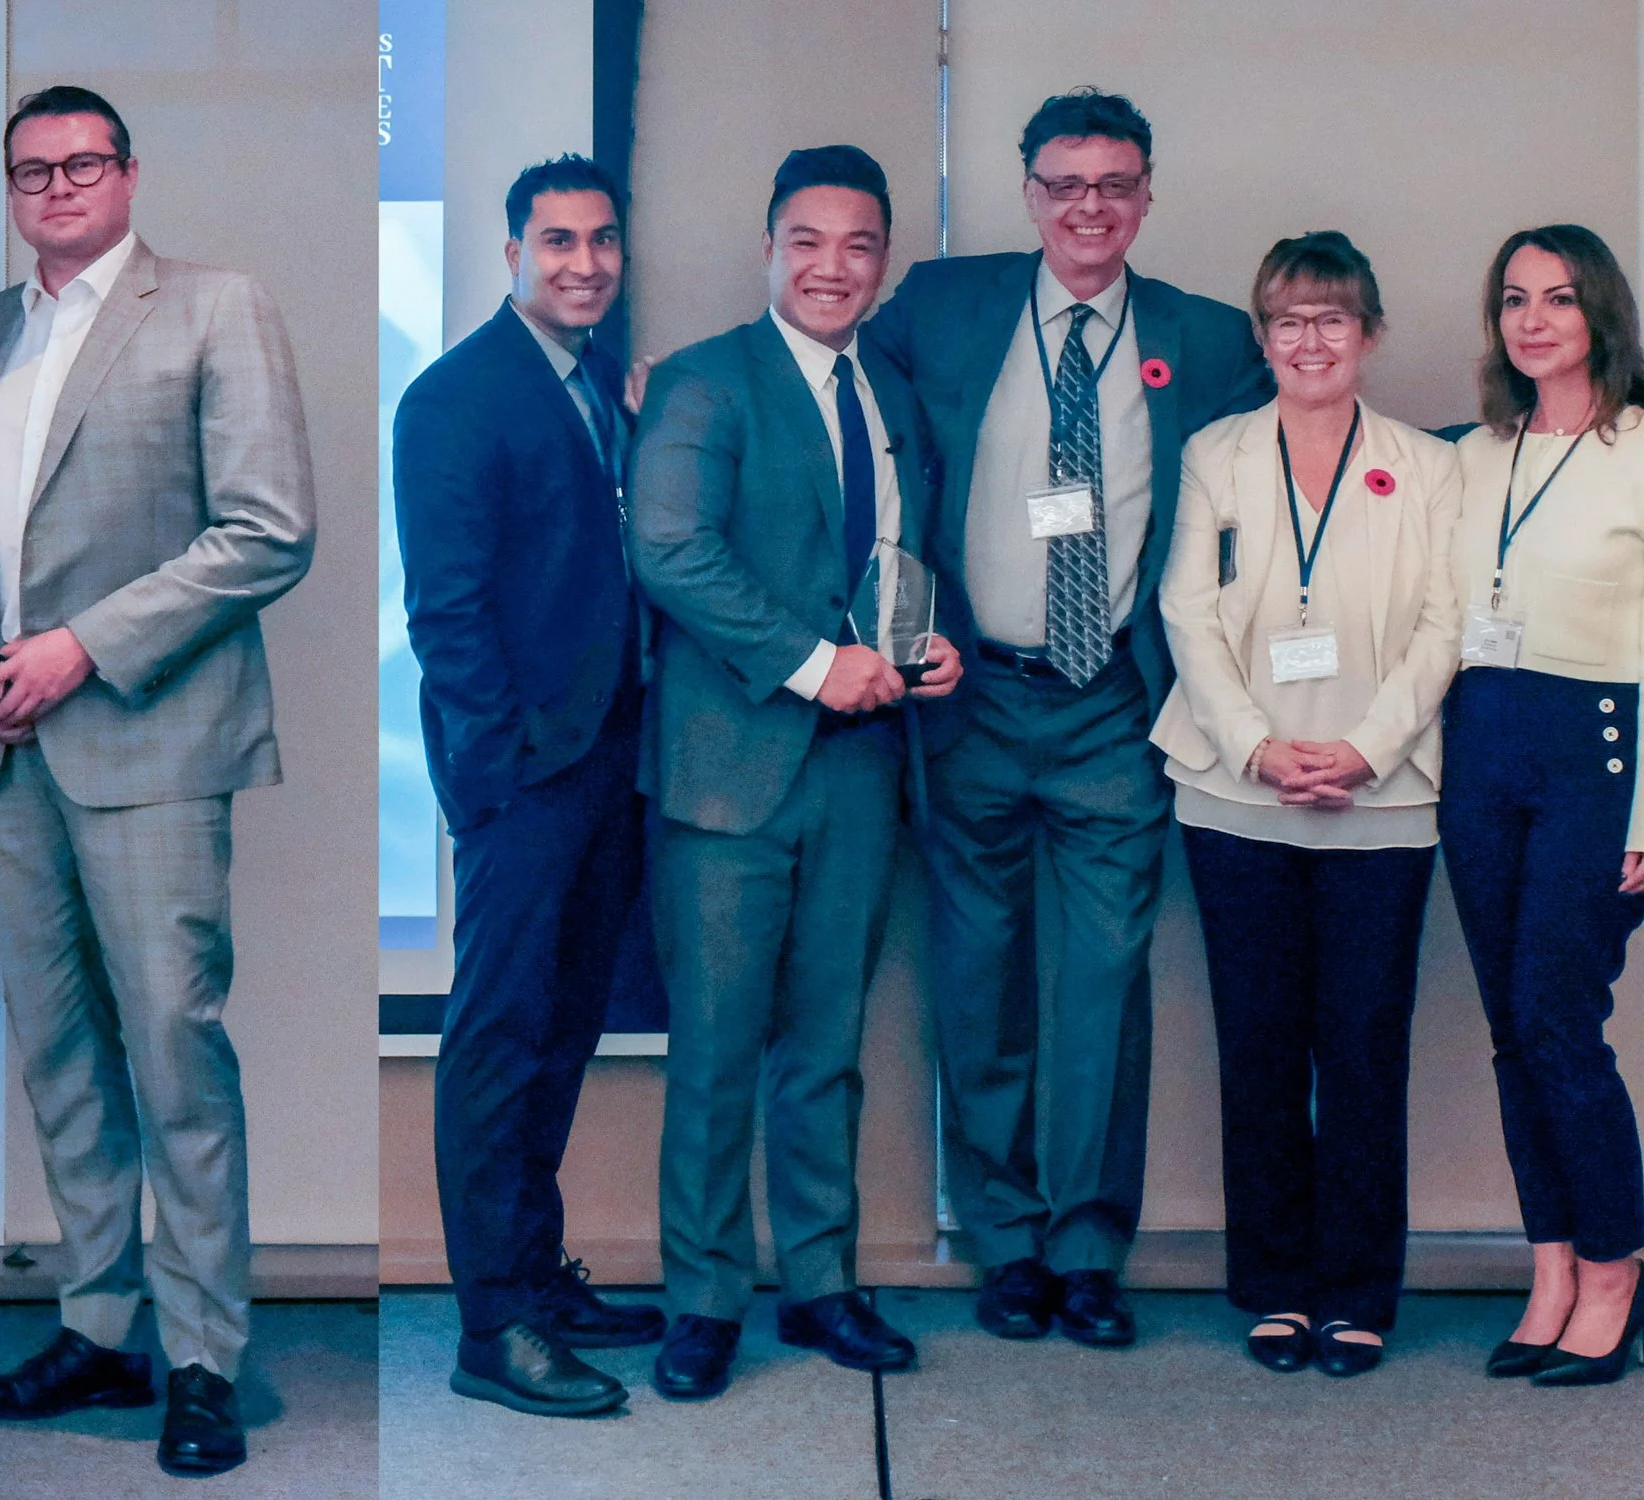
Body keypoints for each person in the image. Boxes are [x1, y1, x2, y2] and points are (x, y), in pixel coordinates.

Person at [0, 85, 314, 1477]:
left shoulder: (213, 306)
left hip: (149, 741)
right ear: (12, 191)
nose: (59, 187)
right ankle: (101, 1322)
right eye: (34, 170)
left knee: (175, 1055)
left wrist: (80, 648)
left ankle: (202, 1358)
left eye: (84, 164)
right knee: (66, 1061)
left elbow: (269, 530)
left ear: (130, 174)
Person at [864, 88, 1272, 1347]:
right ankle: (1006, 1247)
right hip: (970, 696)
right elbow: (818, 394)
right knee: (978, 981)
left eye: (1114, 184)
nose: (1088, 206)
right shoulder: (942, 305)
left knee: (1102, 984)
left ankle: (1089, 1248)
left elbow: (1307, 445)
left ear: (1147, 194)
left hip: (1113, 708)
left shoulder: (1203, 339)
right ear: (1026, 191)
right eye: (1063, 184)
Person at [631, 145, 962, 1403]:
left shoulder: (893, 391)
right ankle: (705, 1299)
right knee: (717, 1050)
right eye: (808, 242)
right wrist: (818, 664)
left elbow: (897, 558)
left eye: (859, 245)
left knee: (826, 1047)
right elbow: (668, 549)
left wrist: (924, 647)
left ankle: (820, 1284)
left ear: (881, 260)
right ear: (769, 247)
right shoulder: (708, 383)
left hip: (864, 771)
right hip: (729, 776)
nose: (834, 267)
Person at [1153, 233, 1462, 1377]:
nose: (1308, 340)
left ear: (1369, 335)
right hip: (1236, 796)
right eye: (1286, 319)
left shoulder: (1430, 466)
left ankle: (1355, 1291)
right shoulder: (1215, 454)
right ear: (1262, 336)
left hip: (1382, 803)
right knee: (1261, 1048)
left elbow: (1443, 627)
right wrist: (1258, 747)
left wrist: (1364, 751)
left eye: (1331, 318)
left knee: (1365, 1048)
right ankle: (1277, 1287)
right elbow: (1186, 612)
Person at [393, 155, 665, 1419]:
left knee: (561, 1032)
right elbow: (445, 615)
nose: (584, 263)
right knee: (497, 1043)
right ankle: (491, 1326)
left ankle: (537, 1279)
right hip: (521, 781)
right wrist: (495, 779)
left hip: (609, 764)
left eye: (602, 240)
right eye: (557, 240)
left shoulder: (602, 382)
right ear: (511, 250)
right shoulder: (454, 397)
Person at [1442, 223, 1644, 1387]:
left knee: (1559, 1019)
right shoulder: (1478, 451)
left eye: (1558, 297)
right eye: (1514, 298)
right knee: (1512, 1028)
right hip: (1482, 749)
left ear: (1600, 312)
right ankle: (1549, 1262)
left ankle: (1616, 1266)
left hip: (1596, 759)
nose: (1534, 319)